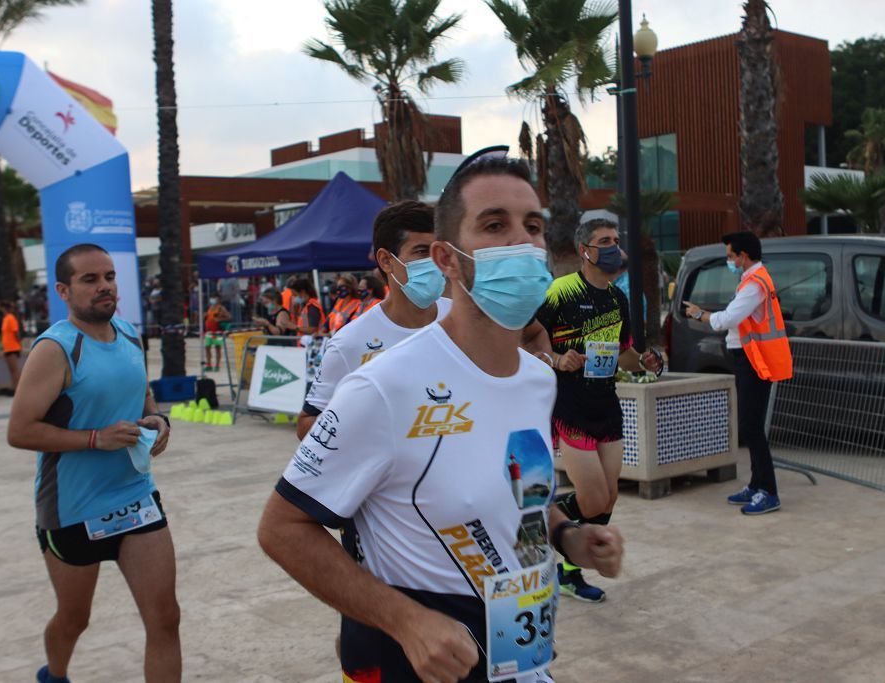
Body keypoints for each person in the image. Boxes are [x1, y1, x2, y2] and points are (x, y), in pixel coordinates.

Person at [258, 152, 624, 683]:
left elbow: (518, 497)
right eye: (495, 225)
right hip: (423, 664)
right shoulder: (382, 386)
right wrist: (407, 622)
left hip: (519, 655)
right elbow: (282, 529)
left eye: (534, 226)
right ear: (447, 259)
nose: (521, 242)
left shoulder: (538, 380)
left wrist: (566, 535)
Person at [7, 243, 179, 683]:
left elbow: (141, 393)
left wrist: (156, 417)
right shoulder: (56, 349)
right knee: (74, 619)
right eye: (90, 280)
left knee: (165, 620)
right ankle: (56, 674)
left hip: (134, 496)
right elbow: (20, 430)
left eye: (109, 277)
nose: (104, 287)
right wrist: (93, 439)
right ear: (64, 290)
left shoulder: (129, 334)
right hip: (73, 508)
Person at [523, 218, 661, 603]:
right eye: (604, 241)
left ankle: (567, 568)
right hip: (570, 405)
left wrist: (647, 361)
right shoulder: (560, 291)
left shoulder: (618, 298)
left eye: (616, 240)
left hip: (606, 402)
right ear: (585, 250)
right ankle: (548, 529)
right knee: (594, 497)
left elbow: (625, 354)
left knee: (609, 498)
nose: (614, 247)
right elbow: (522, 342)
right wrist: (555, 358)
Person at [296, 200, 450, 440]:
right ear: (386, 261)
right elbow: (306, 425)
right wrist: (365, 423)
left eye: (438, 251)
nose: (434, 262)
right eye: (421, 251)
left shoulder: (464, 321)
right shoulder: (351, 342)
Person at [685, 231, 793, 515]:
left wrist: (700, 315)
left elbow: (729, 319)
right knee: (750, 424)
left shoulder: (755, 283)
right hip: (751, 358)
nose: (729, 261)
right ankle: (757, 484)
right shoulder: (752, 280)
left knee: (751, 426)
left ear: (743, 256)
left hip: (755, 361)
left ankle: (768, 491)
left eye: (731, 256)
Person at [0, 300, 23, 392]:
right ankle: (14, 388)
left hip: (13, 347)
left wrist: (19, 344)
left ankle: (18, 389)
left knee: (15, 370)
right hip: (7, 348)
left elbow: (16, 332)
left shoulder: (10, 318)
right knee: (12, 370)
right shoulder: (5, 319)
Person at [203, 296, 231, 371]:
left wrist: (219, 319)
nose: (212, 300)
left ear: (218, 300)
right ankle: (209, 365)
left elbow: (229, 317)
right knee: (207, 348)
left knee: (217, 349)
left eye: (215, 298)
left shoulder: (221, 308)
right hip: (209, 331)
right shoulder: (210, 307)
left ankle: (217, 365)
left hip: (217, 331)